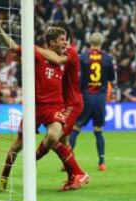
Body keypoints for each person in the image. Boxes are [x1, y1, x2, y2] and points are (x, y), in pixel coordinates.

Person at [0, 18, 89, 192]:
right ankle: (4, 177)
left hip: (55, 106)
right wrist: (0, 31)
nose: (65, 43)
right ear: (52, 43)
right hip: (35, 108)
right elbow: (14, 47)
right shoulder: (37, 55)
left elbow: (59, 60)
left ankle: (37, 161)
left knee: (54, 136)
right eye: (61, 40)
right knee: (17, 146)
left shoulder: (64, 57)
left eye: (66, 39)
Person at [35, 21, 84, 172]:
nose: (61, 42)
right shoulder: (61, 51)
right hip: (62, 102)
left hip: (72, 102)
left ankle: (77, 173)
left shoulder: (70, 51)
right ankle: (72, 174)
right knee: (64, 140)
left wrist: (34, 48)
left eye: (62, 38)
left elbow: (56, 60)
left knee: (54, 137)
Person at [69, 33, 116, 171]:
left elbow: (79, 78)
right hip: (100, 98)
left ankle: (68, 162)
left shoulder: (83, 57)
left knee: (76, 128)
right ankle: (101, 162)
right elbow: (112, 78)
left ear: (90, 42)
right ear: (101, 42)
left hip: (86, 96)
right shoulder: (107, 58)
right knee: (98, 130)